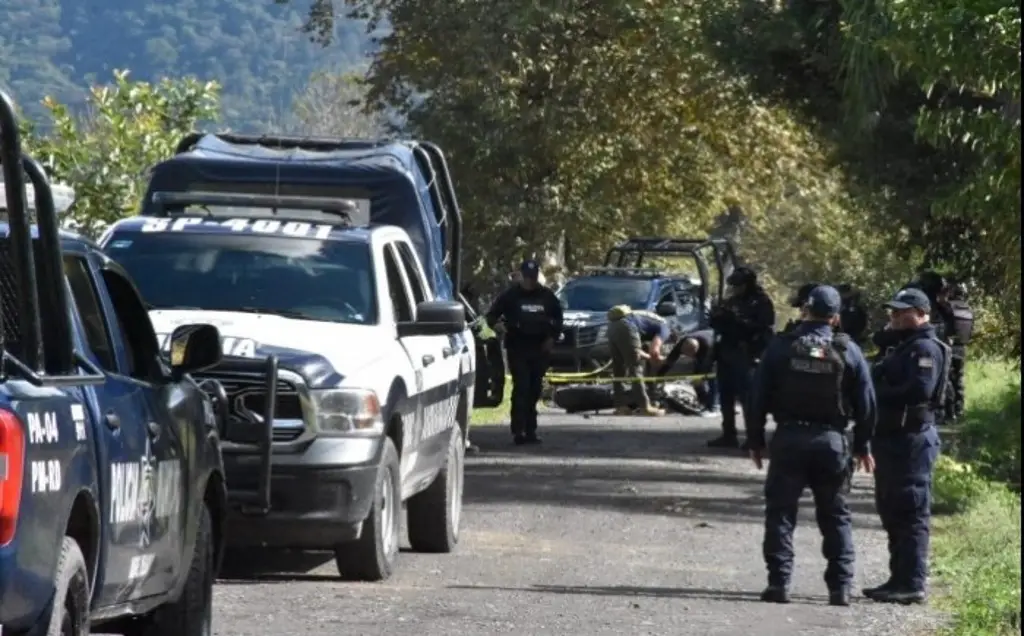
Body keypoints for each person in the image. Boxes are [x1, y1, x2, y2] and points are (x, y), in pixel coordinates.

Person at [747, 285, 877, 607]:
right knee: (835, 515)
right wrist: (863, 445)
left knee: (781, 513)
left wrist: (754, 440)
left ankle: (779, 584)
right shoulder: (849, 351)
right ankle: (840, 588)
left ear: (804, 310)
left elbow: (757, 397)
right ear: (835, 317)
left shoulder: (781, 347)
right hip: (831, 443)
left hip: (790, 439)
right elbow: (867, 405)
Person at [864, 287, 949, 604]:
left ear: (922, 313)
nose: (896, 317)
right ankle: (897, 579)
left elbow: (919, 389)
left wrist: (878, 390)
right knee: (892, 510)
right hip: (892, 439)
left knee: (911, 512)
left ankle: (912, 582)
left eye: (903, 312)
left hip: (912, 440)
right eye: (893, 312)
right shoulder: (903, 346)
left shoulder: (924, 348)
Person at [485, 259, 563, 445]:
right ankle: (518, 430)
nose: (530, 282)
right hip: (517, 346)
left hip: (539, 347)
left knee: (534, 389)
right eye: (526, 278)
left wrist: (552, 338)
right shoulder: (510, 296)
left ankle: (531, 430)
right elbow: (491, 316)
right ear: (521, 277)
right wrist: (497, 328)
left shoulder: (547, 296)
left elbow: (558, 318)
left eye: (533, 278)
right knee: (522, 388)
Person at [708, 267, 776, 448]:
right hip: (727, 351)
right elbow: (718, 325)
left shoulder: (761, 302)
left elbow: (764, 326)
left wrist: (739, 321)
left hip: (748, 353)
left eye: (739, 285)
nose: (736, 289)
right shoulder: (731, 301)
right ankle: (728, 434)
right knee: (726, 395)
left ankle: (754, 437)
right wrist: (718, 317)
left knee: (749, 398)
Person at [606, 305, 668, 416]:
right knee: (635, 368)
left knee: (618, 369)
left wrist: (647, 356)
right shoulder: (665, 328)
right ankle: (645, 407)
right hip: (627, 326)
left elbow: (636, 350)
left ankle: (620, 406)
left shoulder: (648, 321)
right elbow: (654, 351)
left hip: (612, 326)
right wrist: (658, 359)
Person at [944, 282, 974, 420]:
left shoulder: (948, 307)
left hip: (949, 346)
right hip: (962, 347)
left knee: (948, 379)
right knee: (959, 379)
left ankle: (950, 413)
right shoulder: (969, 310)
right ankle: (959, 409)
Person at [672, 329, 719, 416]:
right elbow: (669, 360)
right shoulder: (681, 343)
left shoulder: (707, 346)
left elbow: (707, 366)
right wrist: (660, 375)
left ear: (696, 350)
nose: (690, 357)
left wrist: (701, 378)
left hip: (717, 349)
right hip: (702, 350)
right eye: (687, 355)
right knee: (696, 380)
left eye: (692, 355)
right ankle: (705, 404)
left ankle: (714, 407)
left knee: (713, 378)